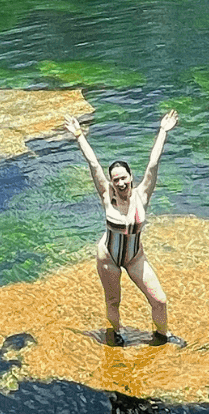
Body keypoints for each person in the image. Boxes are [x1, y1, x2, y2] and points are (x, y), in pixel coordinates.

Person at [63, 110, 179, 346]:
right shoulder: (107, 195)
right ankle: (115, 335)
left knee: (160, 300)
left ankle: (162, 336)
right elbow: (93, 163)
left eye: (124, 178)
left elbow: (153, 163)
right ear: (111, 182)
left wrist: (163, 131)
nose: (121, 183)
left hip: (135, 257)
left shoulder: (142, 194)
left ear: (131, 177)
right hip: (108, 258)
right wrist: (78, 135)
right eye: (116, 180)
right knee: (113, 301)